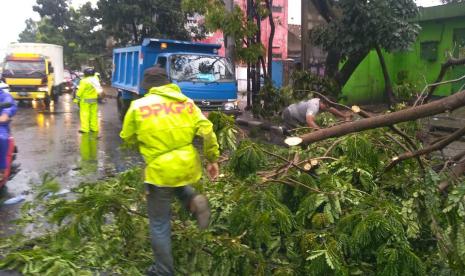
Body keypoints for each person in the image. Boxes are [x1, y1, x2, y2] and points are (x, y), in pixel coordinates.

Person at [120, 66, 220, 276]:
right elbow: (208, 131)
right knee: (177, 184)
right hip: (186, 166)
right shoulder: (187, 103)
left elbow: (127, 137)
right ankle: (192, 198)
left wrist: (143, 140)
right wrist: (212, 159)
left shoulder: (139, 106)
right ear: (168, 82)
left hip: (159, 170)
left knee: (159, 224)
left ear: (148, 86)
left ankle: (163, 271)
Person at [282, 97, 350, 130]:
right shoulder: (314, 106)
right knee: (293, 133)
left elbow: (331, 109)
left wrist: (344, 116)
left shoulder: (322, 102)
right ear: (323, 103)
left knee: (298, 130)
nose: (327, 109)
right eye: (326, 107)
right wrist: (320, 131)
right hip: (290, 113)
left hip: (298, 116)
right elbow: (309, 121)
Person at [74, 68, 101, 133]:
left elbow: (80, 91)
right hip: (94, 100)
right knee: (93, 114)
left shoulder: (84, 81)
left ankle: (85, 129)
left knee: (84, 114)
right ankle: (94, 128)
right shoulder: (96, 79)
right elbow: (96, 75)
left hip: (85, 101)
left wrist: (76, 99)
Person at [0, 82, 17, 181]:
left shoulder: (3, 96)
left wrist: (6, 114)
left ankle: (1, 169)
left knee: (1, 138)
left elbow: (10, 105)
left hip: (1, 125)